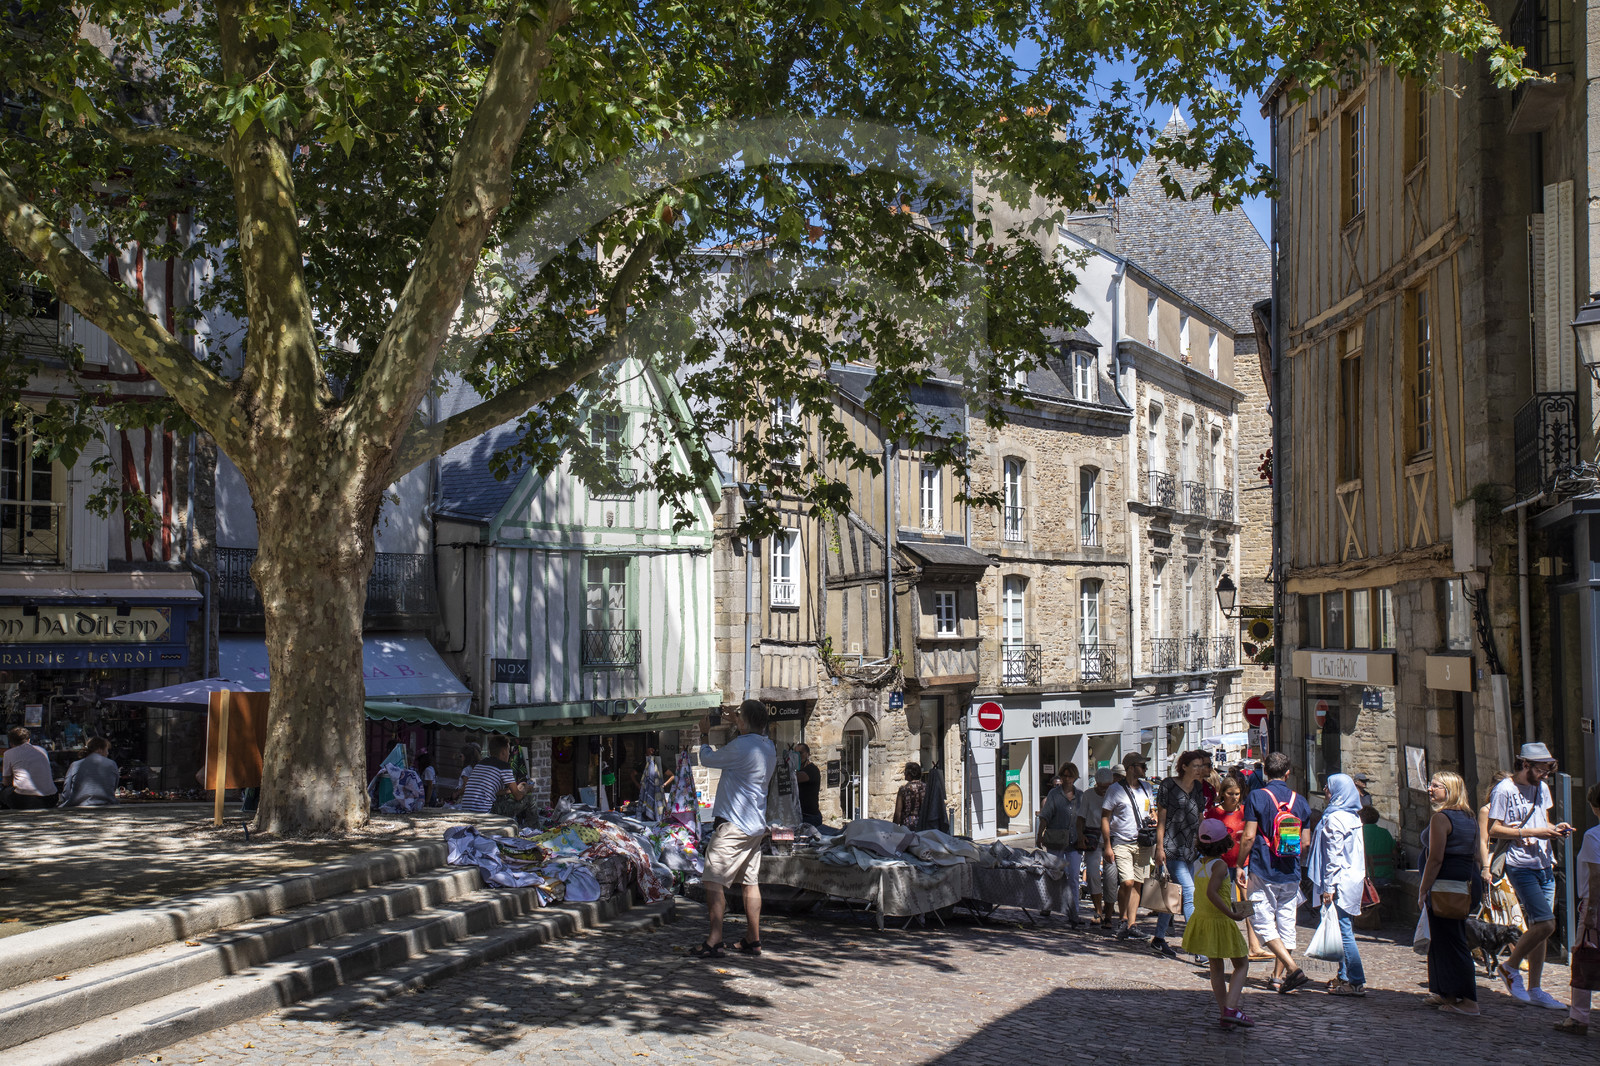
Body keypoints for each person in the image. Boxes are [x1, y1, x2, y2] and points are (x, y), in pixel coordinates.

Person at [1487, 741, 1574, 1009]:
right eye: (1543, 768)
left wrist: (1554, 828)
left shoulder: (1542, 788)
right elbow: (1494, 829)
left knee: (1540, 929)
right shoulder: (1504, 790)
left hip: (1544, 862)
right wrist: (1533, 832)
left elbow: (1540, 821)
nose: (1547, 773)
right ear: (1526, 765)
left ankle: (1536, 988)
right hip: (1519, 864)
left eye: (1550, 768)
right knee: (1546, 924)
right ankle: (1510, 967)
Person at [692, 699, 777, 958]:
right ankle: (753, 938)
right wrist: (738, 719)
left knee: (713, 880)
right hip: (754, 826)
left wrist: (706, 733)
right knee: (750, 882)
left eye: (739, 716)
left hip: (734, 824)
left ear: (744, 721)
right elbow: (752, 727)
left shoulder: (742, 746)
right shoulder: (768, 745)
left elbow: (707, 759)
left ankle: (714, 939)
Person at [1236, 751, 1311, 993]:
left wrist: (1239, 864)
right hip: (1290, 872)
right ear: (1288, 774)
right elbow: (1306, 842)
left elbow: (1248, 836)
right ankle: (1277, 978)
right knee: (1287, 925)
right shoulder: (1300, 801)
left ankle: (1293, 969)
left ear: (1265, 772)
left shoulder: (1257, 797)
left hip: (1263, 868)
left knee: (1262, 922)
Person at [1419, 771, 1484, 1016]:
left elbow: (1435, 859)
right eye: (1431, 785)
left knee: (1453, 940)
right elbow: (1476, 856)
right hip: (1464, 882)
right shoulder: (1469, 817)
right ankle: (1445, 992)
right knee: (1442, 938)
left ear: (1449, 790)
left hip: (1447, 884)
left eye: (1436, 786)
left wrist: (1423, 889)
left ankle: (1468, 1000)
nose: (1430, 789)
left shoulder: (1442, 818)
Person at [1185, 818, 1255, 1029]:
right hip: (1220, 921)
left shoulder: (1198, 863)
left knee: (1216, 967)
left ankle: (1225, 1011)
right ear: (1224, 842)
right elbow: (1212, 893)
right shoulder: (1221, 865)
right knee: (1242, 963)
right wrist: (1232, 914)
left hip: (1204, 920)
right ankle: (1231, 1008)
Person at [1307, 773, 1367, 996]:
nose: (1325, 790)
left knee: (1344, 932)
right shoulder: (1352, 816)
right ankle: (1344, 977)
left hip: (1340, 882)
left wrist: (1329, 888)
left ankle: (1356, 980)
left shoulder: (1334, 819)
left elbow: (1334, 856)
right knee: (1344, 928)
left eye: (1328, 787)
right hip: (1352, 879)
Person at [1153, 749, 1213, 960]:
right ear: (1184, 767)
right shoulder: (1168, 785)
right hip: (1171, 848)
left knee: (1172, 893)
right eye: (1195, 766)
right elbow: (1161, 819)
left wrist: (1203, 843)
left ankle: (1158, 938)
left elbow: (1199, 818)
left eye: (1201, 766)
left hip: (1190, 848)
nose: (1199, 770)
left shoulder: (1198, 788)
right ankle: (1198, 946)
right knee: (1189, 893)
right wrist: (1159, 848)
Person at [1557, 781, 1600, 1035]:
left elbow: (1596, 876)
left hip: (1596, 904)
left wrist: (1592, 911)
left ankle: (1578, 1017)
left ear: (1595, 807)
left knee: (1583, 954)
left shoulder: (1594, 835)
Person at [1101, 751, 1156, 942]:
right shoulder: (1115, 790)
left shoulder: (1147, 788)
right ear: (1131, 768)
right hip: (1122, 842)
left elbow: (1151, 810)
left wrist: (1153, 820)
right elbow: (1105, 817)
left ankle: (1131, 924)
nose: (1145, 769)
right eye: (1142, 765)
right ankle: (1123, 917)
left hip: (1142, 842)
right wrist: (1107, 845)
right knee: (1127, 882)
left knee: (1138, 883)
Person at [1038, 762, 1084, 927]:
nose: (1066, 778)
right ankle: (1047, 905)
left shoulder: (1080, 796)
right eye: (1064, 775)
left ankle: (1074, 911)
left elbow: (1084, 819)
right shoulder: (1054, 794)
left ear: (1075, 777)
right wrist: (1039, 834)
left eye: (1070, 775)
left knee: (1073, 878)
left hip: (1074, 842)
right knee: (1053, 875)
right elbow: (1045, 815)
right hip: (1056, 840)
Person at [1077, 766, 1118, 927]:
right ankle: (1098, 911)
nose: (1104, 790)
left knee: (1111, 878)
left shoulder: (1115, 794)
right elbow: (1080, 818)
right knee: (1093, 874)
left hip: (1111, 840)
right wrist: (1081, 837)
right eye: (1101, 786)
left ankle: (1109, 914)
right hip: (1093, 839)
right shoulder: (1088, 795)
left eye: (1107, 787)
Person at [458, 736, 528, 814]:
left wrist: (510, 791)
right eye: (508, 751)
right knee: (529, 800)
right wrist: (525, 789)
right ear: (504, 752)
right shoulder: (504, 766)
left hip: (466, 809)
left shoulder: (480, 764)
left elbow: (494, 792)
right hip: (484, 811)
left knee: (502, 798)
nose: (509, 754)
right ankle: (532, 825)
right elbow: (518, 796)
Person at [2, 727, 58, 809]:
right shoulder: (41, 750)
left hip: (26, 799)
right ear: (28, 740)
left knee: (5, 792)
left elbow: (6, 782)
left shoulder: (8, 753)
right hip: (51, 798)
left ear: (11, 743)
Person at [57, 737, 119, 807]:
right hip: (106, 805)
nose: (107, 753)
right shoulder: (112, 764)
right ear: (99, 749)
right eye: (107, 750)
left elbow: (66, 793)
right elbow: (113, 788)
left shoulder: (75, 765)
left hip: (78, 807)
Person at [1360, 807, 1396, 883]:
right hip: (1386, 877)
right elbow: (1394, 852)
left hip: (1366, 879)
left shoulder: (1359, 833)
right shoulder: (1385, 833)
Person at [794, 743, 823, 828]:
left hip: (810, 817)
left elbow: (795, 778)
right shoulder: (798, 769)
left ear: (807, 754)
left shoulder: (812, 770)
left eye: (801, 753)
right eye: (796, 754)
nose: (798, 756)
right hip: (800, 815)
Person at [891, 762, 926, 829]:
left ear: (909, 774)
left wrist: (894, 828)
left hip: (907, 825)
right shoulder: (926, 788)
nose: (904, 774)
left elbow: (898, 813)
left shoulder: (903, 790)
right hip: (923, 823)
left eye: (905, 772)